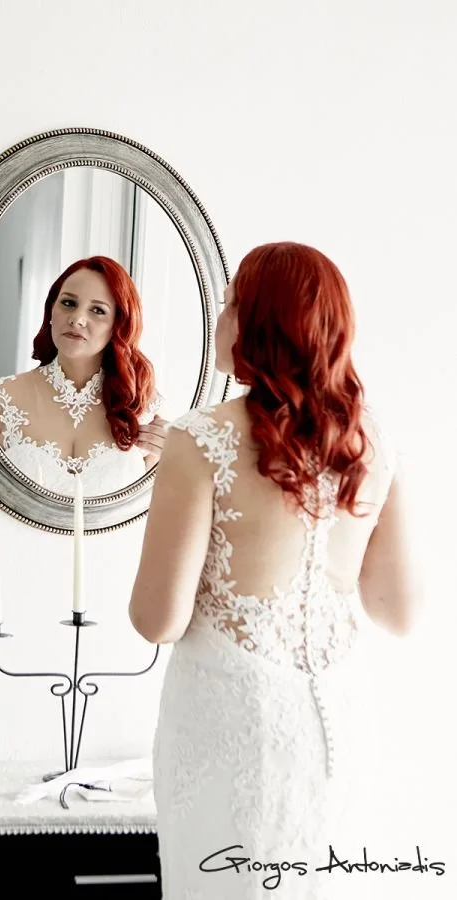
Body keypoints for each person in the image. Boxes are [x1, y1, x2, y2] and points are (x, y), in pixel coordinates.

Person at [129, 242, 420, 899]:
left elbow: (157, 619)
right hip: (340, 729)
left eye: (232, 302)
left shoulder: (199, 440)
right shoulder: (373, 442)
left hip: (231, 734)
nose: (219, 318)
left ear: (262, 322)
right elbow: (399, 610)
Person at [0, 255, 167, 495]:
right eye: (68, 303)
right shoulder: (2, 400)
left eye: (98, 310)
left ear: (118, 325)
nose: (77, 319)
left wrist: (169, 459)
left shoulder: (143, 407)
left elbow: (148, 510)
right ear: (50, 311)